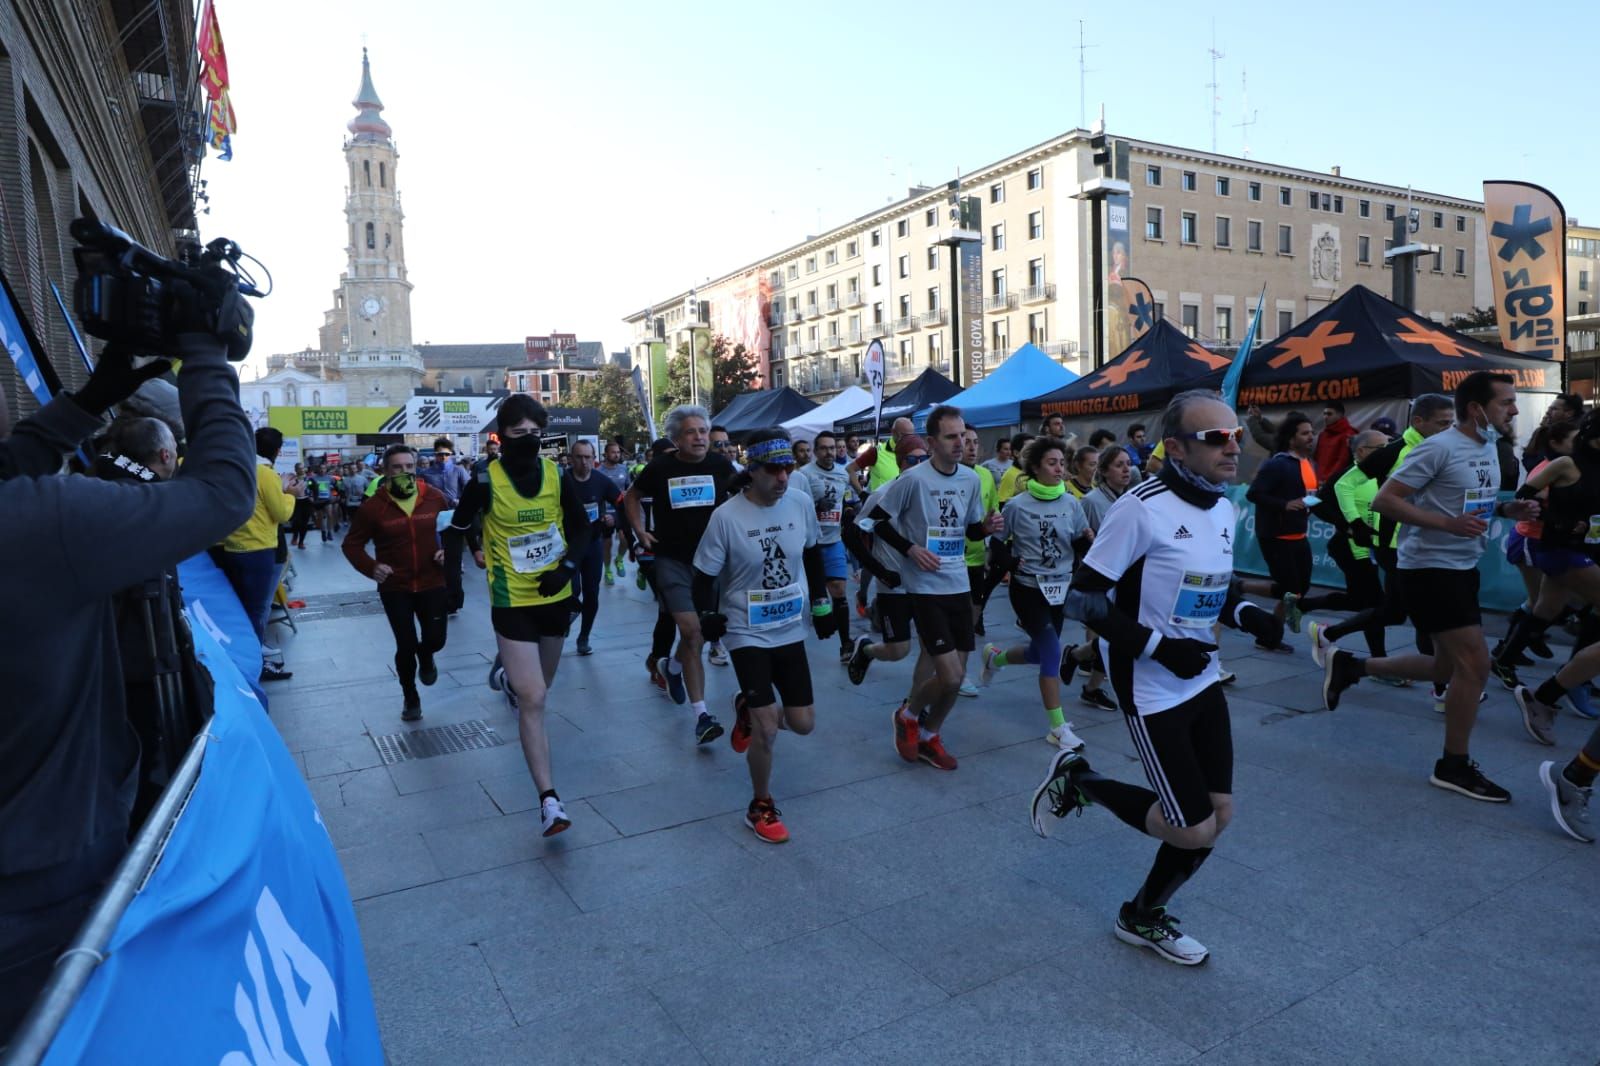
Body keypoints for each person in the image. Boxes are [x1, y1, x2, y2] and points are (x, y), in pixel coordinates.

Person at [0, 334, 255, 1042]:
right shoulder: (40, 522)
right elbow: (222, 494)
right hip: (42, 880)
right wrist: (207, 351)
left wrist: (84, 405)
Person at [1029, 390, 1283, 966]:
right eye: (1215, 437)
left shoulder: (1222, 505)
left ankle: (1141, 915)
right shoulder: (1141, 507)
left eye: (1235, 436)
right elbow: (1084, 601)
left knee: (1219, 816)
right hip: (1151, 684)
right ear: (1175, 448)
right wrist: (1159, 649)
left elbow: (1208, 590)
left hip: (1202, 675)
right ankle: (1081, 781)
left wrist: (1246, 615)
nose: (1231, 446)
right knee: (1191, 828)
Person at [1321, 372, 1539, 802]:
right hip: (1429, 569)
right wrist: (1447, 525)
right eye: (1506, 403)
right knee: (1474, 667)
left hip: (1462, 565)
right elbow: (1386, 500)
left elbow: (1468, 503)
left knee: (1444, 667)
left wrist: (1508, 507)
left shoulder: (1488, 448)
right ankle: (1452, 765)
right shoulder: (1438, 447)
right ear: (1477, 409)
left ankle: (1352, 666)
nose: (1514, 410)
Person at [450, 395, 591, 837]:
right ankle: (549, 800)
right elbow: (456, 529)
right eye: (518, 434)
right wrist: (450, 585)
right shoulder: (484, 481)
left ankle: (511, 677)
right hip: (511, 601)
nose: (529, 441)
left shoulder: (556, 473)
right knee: (534, 700)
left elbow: (582, 528)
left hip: (555, 596)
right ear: (501, 436)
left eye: (535, 433)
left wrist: (566, 568)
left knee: (539, 689)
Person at [848, 405, 1004, 770]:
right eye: (951, 436)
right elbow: (873, 521)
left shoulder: (970, 479)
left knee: (957, 678)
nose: (960, 442)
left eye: (962, 435)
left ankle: (930, 735)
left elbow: (967, 531)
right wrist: (910, 548)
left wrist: (986, 528)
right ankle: (909, 713)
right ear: (932, 442)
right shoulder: (913, 480)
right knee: (948, 675)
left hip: (958, 582)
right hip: (924, 588)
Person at [692, 428, 827, 843]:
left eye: (788, 468)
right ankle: (760, 805)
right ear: (751, 471)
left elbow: (812, 553)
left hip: (789, 626)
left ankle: (749, 708)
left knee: (803, 724)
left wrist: (823, 603)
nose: (783, 478)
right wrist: (709, 614)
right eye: (774, 470)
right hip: (746, 630)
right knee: (769, 729)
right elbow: (703, 576)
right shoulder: (727, 517)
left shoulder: (801, 503)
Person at [1304, 394, 1455, 687]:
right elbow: (1345, 484)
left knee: (1395, 612)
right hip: (1393, 546)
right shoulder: (1395, 450)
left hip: (1423, 542)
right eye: (1441, 423)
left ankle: (1329, 635)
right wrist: (1355, 524)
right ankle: (1443, 689)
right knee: (1424, 613)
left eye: (1451, 423)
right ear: (1419, 421)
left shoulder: (1442, 448)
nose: (1447, 429)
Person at [625, 405, 739, 743]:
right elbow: (631, 496)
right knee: (692, 633)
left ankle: (672, 668)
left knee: (698, 636)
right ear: (676, 438)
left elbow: (742, 496)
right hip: (671, 560)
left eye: (703, 431)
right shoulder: (659, 467)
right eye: (691, 432)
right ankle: (702, 716)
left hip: (710, 563)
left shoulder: (721, 465)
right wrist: (640, 531)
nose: (700, 437)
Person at [979, 436, 1091, 750]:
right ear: (1036, 467)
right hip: (1028, 589)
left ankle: (995, 659)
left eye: (1062, 463)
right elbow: (997, 545)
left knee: (1040, 653)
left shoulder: (1071, 502)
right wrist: (1012, 562)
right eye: (1052, 463)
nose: (1059, 469)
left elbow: (1081, 543)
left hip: (1060, 589)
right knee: (1053, 652)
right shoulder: (1016, 505)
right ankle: (1057, 728)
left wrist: (1094, 552)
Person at [342, 445, 449, 721]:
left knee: (435, 640)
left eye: (409, 467)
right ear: (385, 471)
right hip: (395, 587)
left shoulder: (434, 498)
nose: (404, 472)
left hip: (432, 581)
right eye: (397, 468)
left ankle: (427, 656)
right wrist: (372, 567)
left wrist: (447, 550)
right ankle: (410, 696)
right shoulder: (373, 507)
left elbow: (456, 530)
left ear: (416, 468)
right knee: (405, 644)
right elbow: (351, 545)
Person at [1286, 431, 1394, 661]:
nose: (1387, 452)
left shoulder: (1386, 474)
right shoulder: (1346, 476)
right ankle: (1379, 662)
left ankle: (1302, 605)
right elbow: (1315, 503)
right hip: (1351, 547)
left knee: (1359, 600)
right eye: (1381, 448)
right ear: (1362, 451)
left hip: (1375, 547)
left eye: (1389, 446)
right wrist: (1347, 526)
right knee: (1375, 603)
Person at [218, 427, 304, 681]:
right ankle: (256, 664)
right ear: (278, 451)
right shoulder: (265, 474)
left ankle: (248, 657)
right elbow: (282, 514)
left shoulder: (237, 469)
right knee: (257, 610)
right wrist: (290, 494)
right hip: (259, 549)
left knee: (244, 608)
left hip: (232, 547)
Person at [1245, 413, 1316, 647]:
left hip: (1299, 534)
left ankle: (1240, 587)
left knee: (1300, 589)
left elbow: (1304, 494)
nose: (1311, 437)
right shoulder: (1277, 464)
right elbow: (1254, 493)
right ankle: (1269, 636)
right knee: (1290, 590)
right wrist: (1284, 504)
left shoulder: (1307, 463)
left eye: (1312, 433)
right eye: (1305, 433)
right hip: (1276, 536)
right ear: (1291, 438)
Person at [790, 429, 854, 663]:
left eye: (833, 448)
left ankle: (846, 644)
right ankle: (797, 640)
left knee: (838, 589)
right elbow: (794, 507)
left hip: (833, 540)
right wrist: (817, 507)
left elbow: (843, 499)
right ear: (815, 452)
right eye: (824, 448)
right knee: (807, 597)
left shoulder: (842, 474)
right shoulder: (803, 475)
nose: (829, 452)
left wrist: (847, 510)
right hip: (809, 544)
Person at [563, 439, 623, 656]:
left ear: (594, 459)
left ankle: (584, 637)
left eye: (588, 457)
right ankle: (566, 619)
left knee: (592, 594)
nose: (584, 462)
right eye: (578, 457)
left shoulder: (601, 480)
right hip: (567, 546)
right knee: (572, 591)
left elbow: (621, 503)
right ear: (571, 458)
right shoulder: (563, 480)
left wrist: (613, 519)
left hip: (592, 544)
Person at [596, 439, 632, 585]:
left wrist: (627, 493)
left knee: (625, 539)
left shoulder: (624, 469)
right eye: (613, 452)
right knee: (607, 543)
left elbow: (629, 488)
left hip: (622, 511)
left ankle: (619, 560)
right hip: (607, 512)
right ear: (605, 454)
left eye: (618, 452)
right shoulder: (598, 472)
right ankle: (608, 569)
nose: (617, 455)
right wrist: (601, 513)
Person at [1312, 400, 1358, 482]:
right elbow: (1317, 459)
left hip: (1337, 482)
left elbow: (1343, 461)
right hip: (1320, 481)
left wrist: (1329, 480)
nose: (1325, 417)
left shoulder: (1349, 434)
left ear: (1340, 415)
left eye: (1329, 414)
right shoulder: (1322, 435)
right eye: (1324, 414)